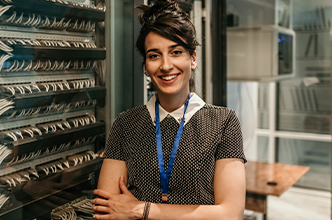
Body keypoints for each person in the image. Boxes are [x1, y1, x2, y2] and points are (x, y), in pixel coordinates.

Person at [92, 0, 246, 219]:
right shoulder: (126, 123)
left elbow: (230, 214)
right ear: (146, 66)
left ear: (192, 59)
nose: (165, 65)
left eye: (175, 52)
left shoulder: (223, 122)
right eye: (154, 55)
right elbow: (106, 209)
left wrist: (141, 209)